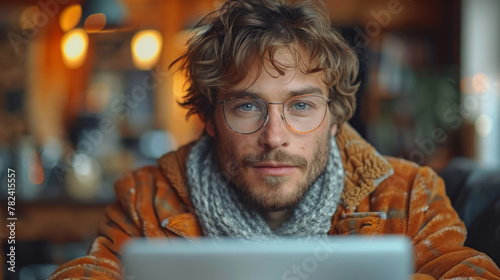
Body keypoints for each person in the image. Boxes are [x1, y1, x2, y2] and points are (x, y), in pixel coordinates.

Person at [49, 0, 500, 279]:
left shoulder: (409, 194)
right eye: (247, 106)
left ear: (335, 116)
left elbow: (467, 272)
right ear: (208, 117)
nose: (274, 136)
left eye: (301, 106)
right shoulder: (146, 197)